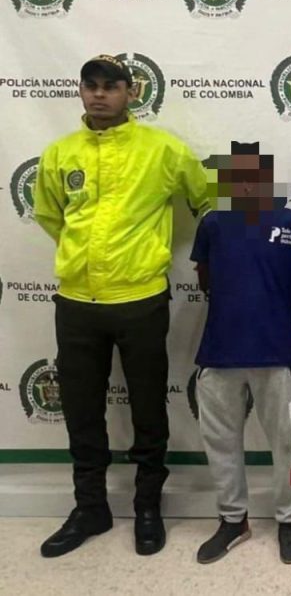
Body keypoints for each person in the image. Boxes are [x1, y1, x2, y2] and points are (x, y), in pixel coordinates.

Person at [33, 54, 211, 558]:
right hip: (76, 303)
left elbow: (206, 200)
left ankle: (149, 506)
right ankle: (90, 507)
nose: (99, 94)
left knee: (149, 408)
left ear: (131, 93)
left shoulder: (163, 150)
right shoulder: (59, 153)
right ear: (81, 90)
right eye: (90, 85)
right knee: (81, 411)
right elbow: (50, 216)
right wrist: (83, 257)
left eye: (110, 86)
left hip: (141, 300)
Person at [190, 142, 291, 565]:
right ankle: (233, 521)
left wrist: (272, 307)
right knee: (221, 443)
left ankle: (288, 520)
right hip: (219, 353)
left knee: (287, 445)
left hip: (276, 353)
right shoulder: (212, 222)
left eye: (254, 175)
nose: (246, 184)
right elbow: (205, 278)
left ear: (267, 179)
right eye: (238, 176)